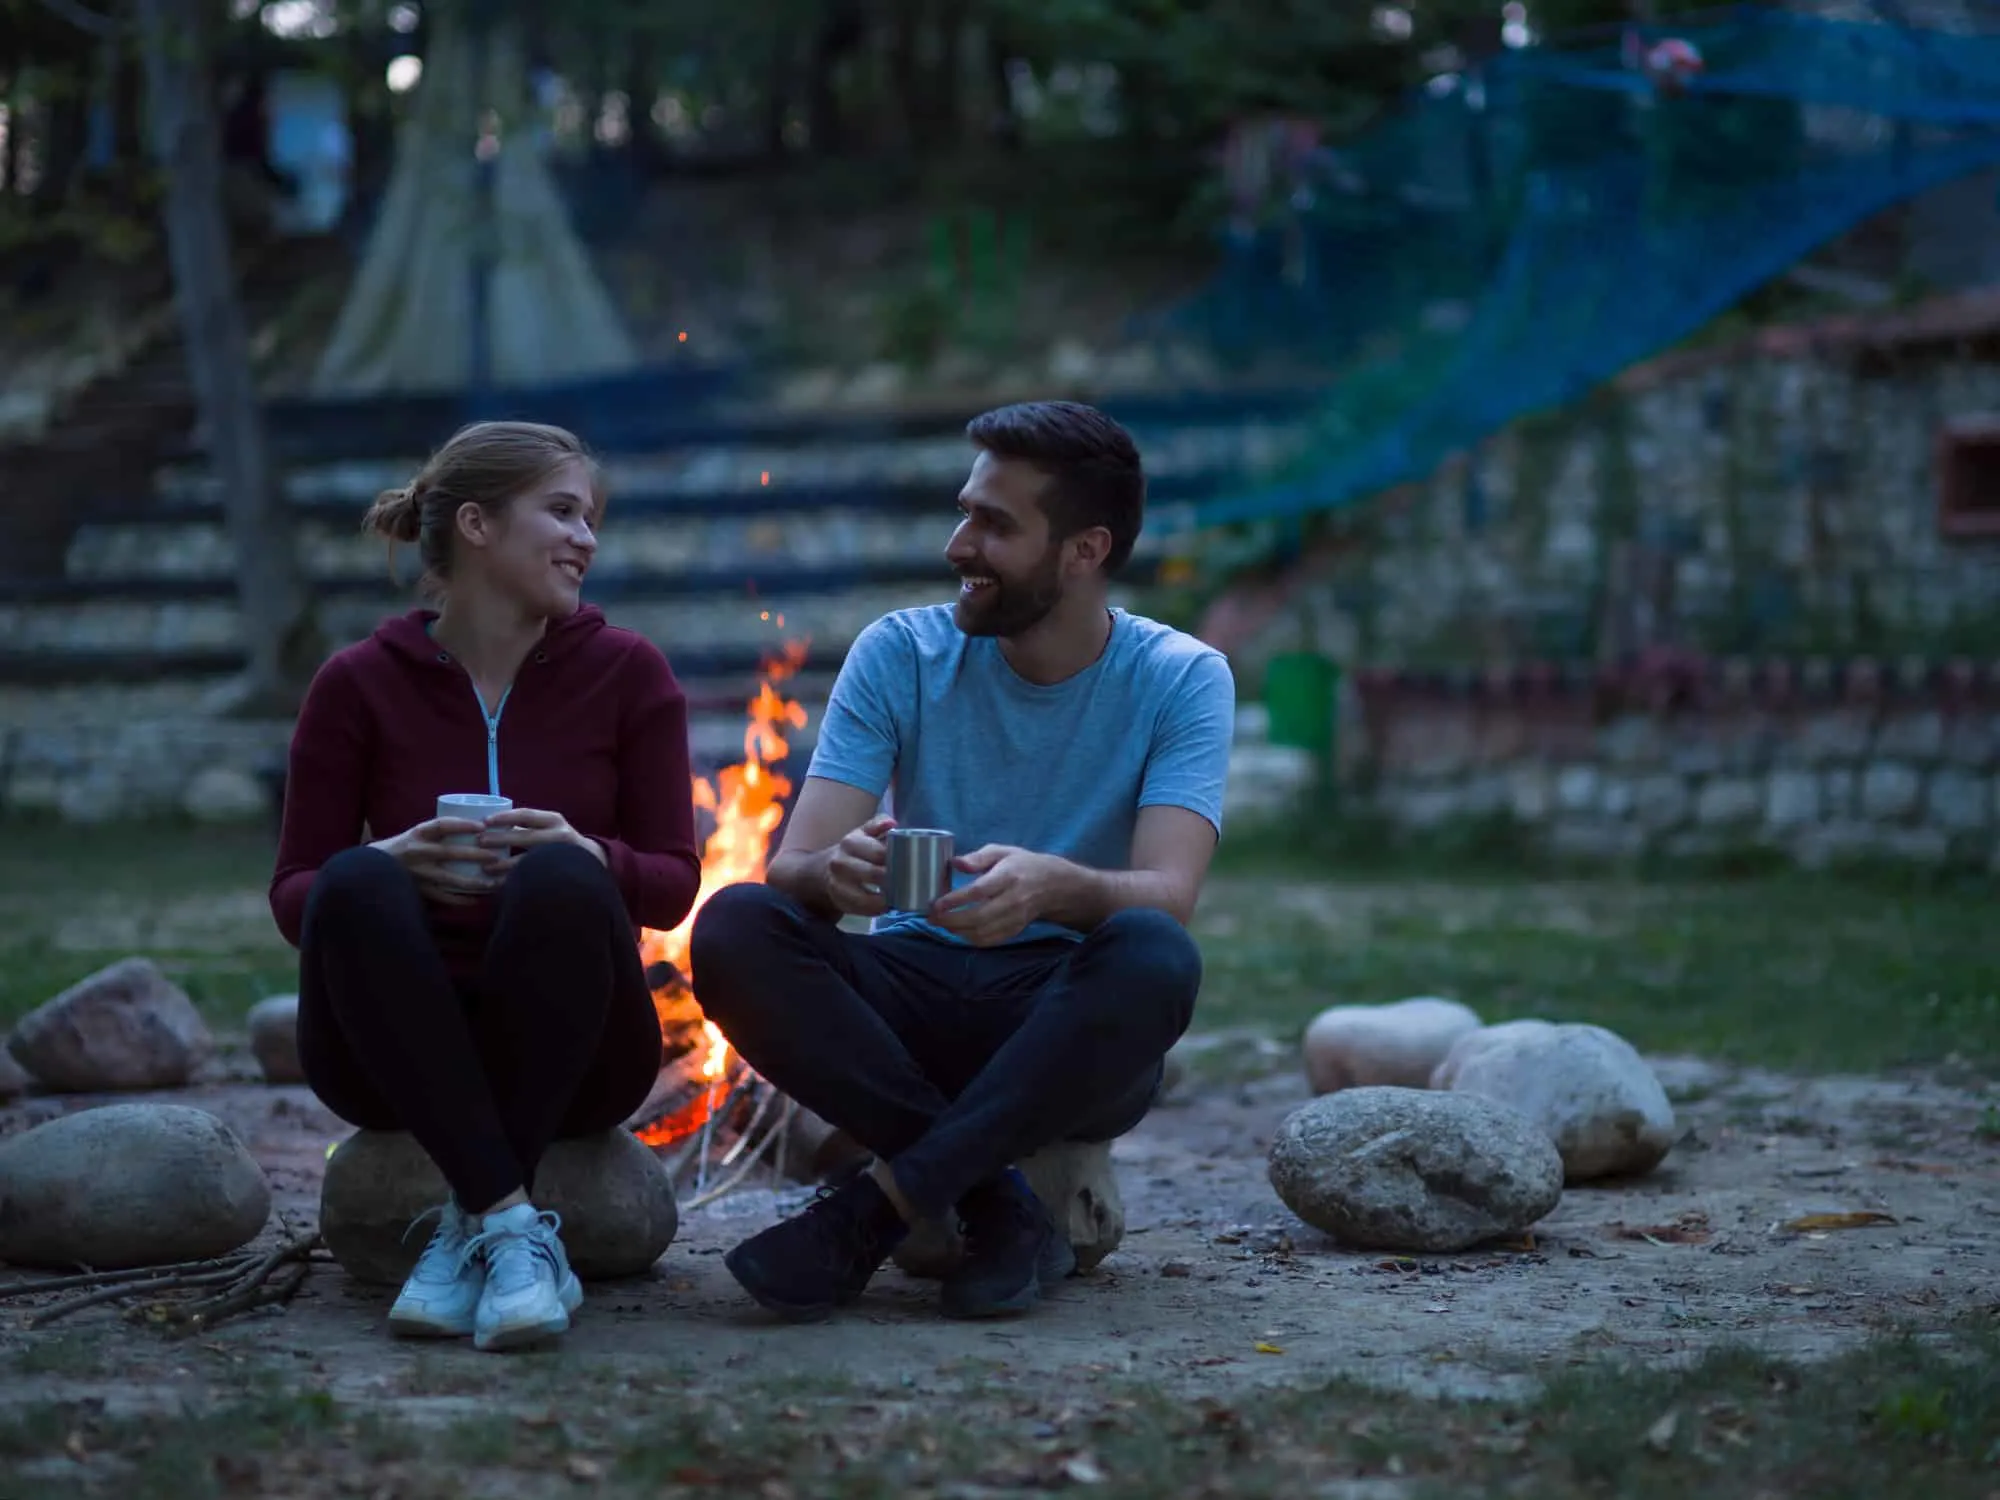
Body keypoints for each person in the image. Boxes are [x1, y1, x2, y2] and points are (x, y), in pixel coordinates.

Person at [689, 399, 1235, 1323]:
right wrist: (834, 874)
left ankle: (869, 1211)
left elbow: (1168, 893)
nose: (958, 544)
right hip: (906, 1002)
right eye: (964, 511)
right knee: (738, 926)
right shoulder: (900, 650)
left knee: (1154, 955)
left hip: (1059, 1019)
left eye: (994, 524)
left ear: (1084, 550)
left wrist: (1058, 888)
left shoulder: (1181, 676)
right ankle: (1000, 1208)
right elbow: (792, 870)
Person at [269, 420, 700, 1353]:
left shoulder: (629, 675)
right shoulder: (356, 686)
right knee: (355, 879)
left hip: (580, 1052)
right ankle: (509, 1226)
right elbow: (299, 896)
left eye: (591, 518)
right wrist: (395, 860)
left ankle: (475, 1222)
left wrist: (590, 855)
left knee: (559, 873)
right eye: (562, 511)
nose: (586, 537)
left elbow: (670, 887)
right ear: (476, 525)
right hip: (388, 1047)